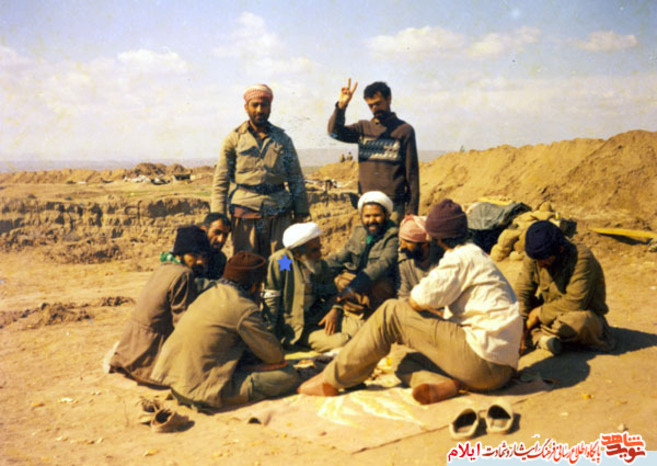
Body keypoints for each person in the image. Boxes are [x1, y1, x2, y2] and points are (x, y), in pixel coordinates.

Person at [298, 199, 523, 405]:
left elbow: (417, 300)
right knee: (404, 361)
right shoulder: (476, 255)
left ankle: (332, 379)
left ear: (436, 238)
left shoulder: (458, 259)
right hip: (500, 370)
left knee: (391, 311)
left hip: (482, 360)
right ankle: (447, 384)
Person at [151, 252, 300, 410]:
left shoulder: (209, 293)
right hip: (199, 391)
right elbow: (275, 356)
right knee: (288, 376)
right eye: (260, 286)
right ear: (254, 286)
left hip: (174, 382)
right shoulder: (243, 307)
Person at [211, 84, 310, 258]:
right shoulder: (233, 139)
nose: (259, 110)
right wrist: (218, 216)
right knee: (245, 265)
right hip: (244, 215)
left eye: (264, 105)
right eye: (254, 105)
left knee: (281, 263)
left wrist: (301, 213)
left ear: (270, 107)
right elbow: (221, 181)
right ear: (246, 107)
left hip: (279, 214)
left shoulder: (283, 139)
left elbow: (296, 179)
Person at [109, 225, 211, 385]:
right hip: (148, 359)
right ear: (180, 254)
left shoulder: (164, 267)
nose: (200, 261)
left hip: (130, 350)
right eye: (194, 255)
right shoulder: (184, 274)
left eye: (203, 256)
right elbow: (183, 324)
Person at [514, 221, 614, 355]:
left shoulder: (582, 259)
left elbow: (575, 302)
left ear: (560, 250)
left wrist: (538, 314)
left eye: (545, 260)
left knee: (577, 323)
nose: (540, 265)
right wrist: (520, 322)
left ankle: (535, 336)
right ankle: (539, 337)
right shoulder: (536, 253)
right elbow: (523, 290)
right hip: (548, 312)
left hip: (577, 314)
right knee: (511, 305)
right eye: (537, 260)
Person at [328, 79, 419, 223]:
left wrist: (412, 211)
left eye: (378, 103)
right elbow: (334, 132)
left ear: (389, 99)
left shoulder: (404, 131)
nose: (374, 108)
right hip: (367, 206)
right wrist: (341, 107)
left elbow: (412, 173)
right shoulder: (363, 129)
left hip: (393, 207)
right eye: (370, 105)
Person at [263, 222, 359, 352]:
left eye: (319, 248)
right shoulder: (281, 261)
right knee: (342, 341)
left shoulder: (320, 265)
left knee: (360, 328)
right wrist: (269, 338)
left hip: (318, 315)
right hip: (296, 327)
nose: (320, 254)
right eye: (314, 250)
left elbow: (332, 294)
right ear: (298, 252)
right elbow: (271, 301)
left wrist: (334, 311)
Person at [325, 191, 399, 324]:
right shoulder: (359, 231)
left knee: (377, 286)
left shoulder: (393, 235)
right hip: (360, 282)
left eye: (376, 215)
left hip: (379, 284)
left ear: (386, 215)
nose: (371, 220)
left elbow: (380, 266)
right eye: (367, 216)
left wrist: (352, 288)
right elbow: (341, 256)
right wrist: (318, 268)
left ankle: (371, 314)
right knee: (337, 280)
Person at [397, 215, 444, 299]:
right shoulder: (403, 260)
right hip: (413, 305)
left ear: (424, 244)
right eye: (401, 241)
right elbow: (403, 295)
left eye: (407, 242)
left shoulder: (442, 259)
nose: (402, 246)